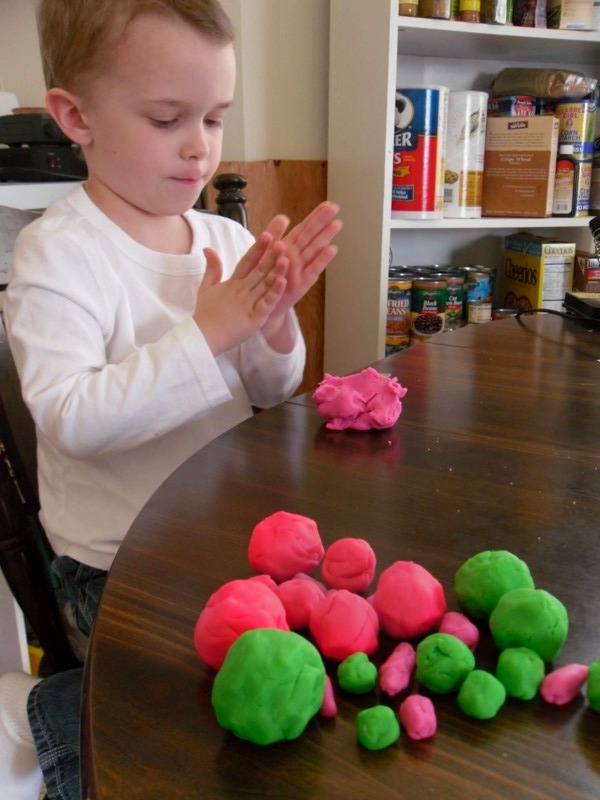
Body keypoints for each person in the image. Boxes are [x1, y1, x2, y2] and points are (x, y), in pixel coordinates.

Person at [0, 1, 342, 798]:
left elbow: (270, 390)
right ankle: (59, 714)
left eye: (216, 118)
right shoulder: (58, 253)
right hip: (112, 561)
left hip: (222, 537)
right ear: (74, 116)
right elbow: (71, 418)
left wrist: (273, 327)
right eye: (166, 118)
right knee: (197, 703)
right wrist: (212, 333)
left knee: (303, 657)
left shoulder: (220, 241)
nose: (200, 147)